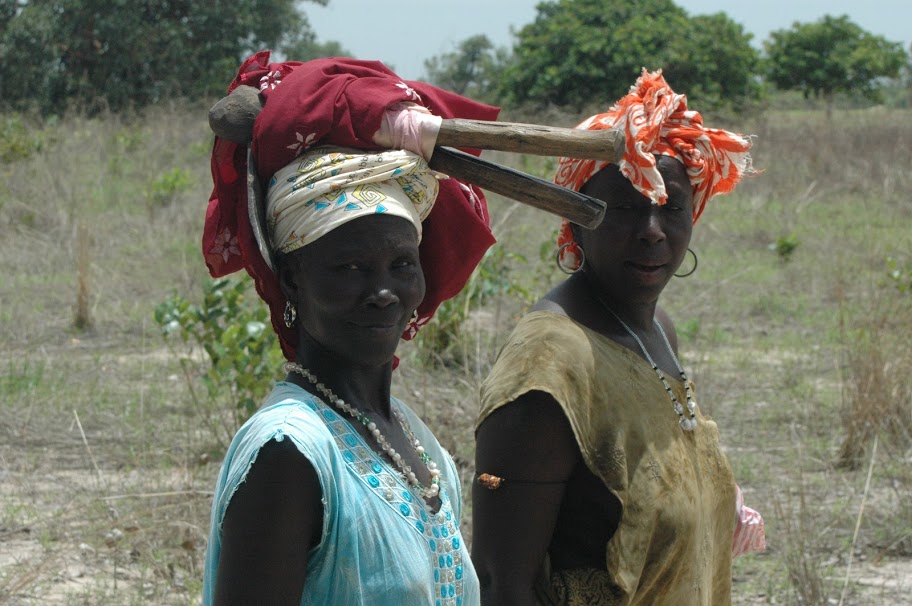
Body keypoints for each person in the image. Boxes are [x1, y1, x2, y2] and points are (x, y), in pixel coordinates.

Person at [200, 51, 501, 605]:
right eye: (350, 268)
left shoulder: (413, 438)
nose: (384, 292)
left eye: (401, 265)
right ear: (291, 278)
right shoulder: (290, 452)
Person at [471, 70, 765, 606]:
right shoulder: (550, 360)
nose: (652, 229)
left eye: (670, 206)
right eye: (626, 206)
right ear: (576, 220)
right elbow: (501, 583)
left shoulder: (657, 331)